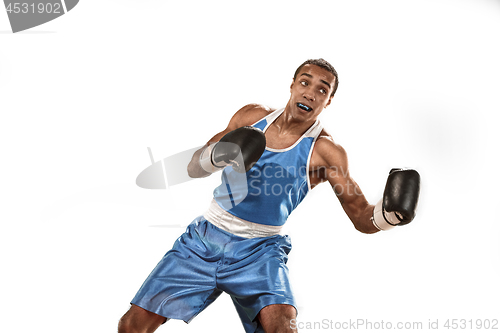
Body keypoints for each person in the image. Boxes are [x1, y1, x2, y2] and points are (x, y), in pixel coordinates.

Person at [118, 58, 420, 333]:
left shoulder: (326, 152)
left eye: (321, 90)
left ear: (328, 101)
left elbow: (360, 216)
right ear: (292, 86)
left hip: (260, 252)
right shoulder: (251, 117)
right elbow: (194, 167)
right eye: (305, 82)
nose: (310, 93)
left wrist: (387, 216)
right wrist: (217, 155)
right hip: (204, 240)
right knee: (131, 327)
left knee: (283, 330)